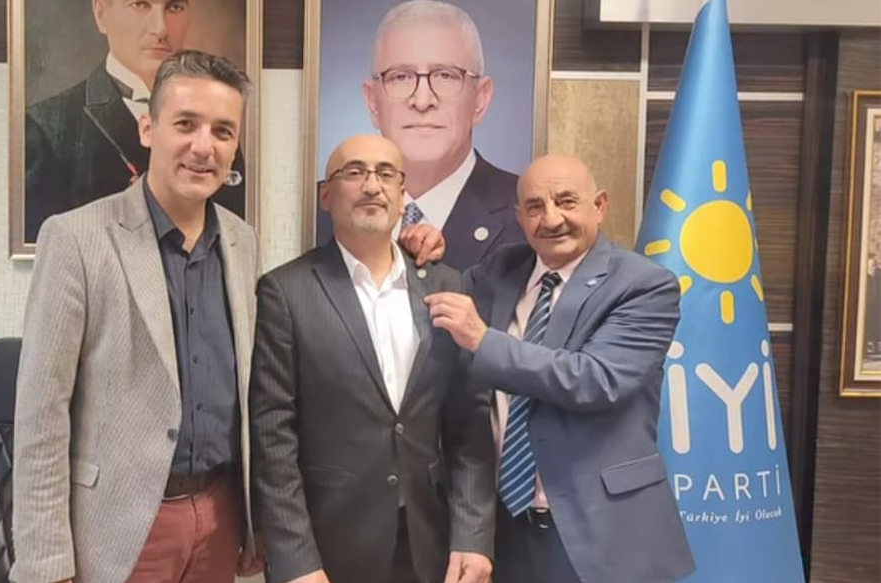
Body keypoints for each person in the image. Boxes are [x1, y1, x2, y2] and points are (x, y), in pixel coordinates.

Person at [11, 51, 261, 583]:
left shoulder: (242, 242)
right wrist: (45, 563)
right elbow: (40, 413)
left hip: (220, 517)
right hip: (119, 528)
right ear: (148, 128)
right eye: (186, 124)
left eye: (223, 131)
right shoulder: (76, 238)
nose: (204, 147)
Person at [425, 154, 696, 583]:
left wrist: (483, 340)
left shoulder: (644, 284)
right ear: (519, 217)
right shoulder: (500, 269)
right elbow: (437, 288)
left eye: (566, 201)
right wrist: (420, 246)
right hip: (505, 530)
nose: (551, 219)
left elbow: (595, 379)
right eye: (534, 207)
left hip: (602, 534)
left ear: (599, 205)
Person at [250, 134, 495, 583]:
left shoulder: (446, 285)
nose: (371, 185)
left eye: (385, 174)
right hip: (328, 547)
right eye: (354, 172)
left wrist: (473, 537)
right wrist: (296, 561)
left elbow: (468, 425)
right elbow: (273, 438)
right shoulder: (286, 291)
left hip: (429, 542)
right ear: (326, 195)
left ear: (402, 196)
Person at [318, 0, 524, 269]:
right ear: (372, 103)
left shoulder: (529, 215)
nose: (423, 100)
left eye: (446, 76)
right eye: (401, 77)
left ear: (480, 100)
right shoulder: (321, 209)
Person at [24, 0, 245, 244]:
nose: (160, 29)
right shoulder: (46, 127)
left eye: (174, 7)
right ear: (101, 13)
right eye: (140, 4)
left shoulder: (218, 132)